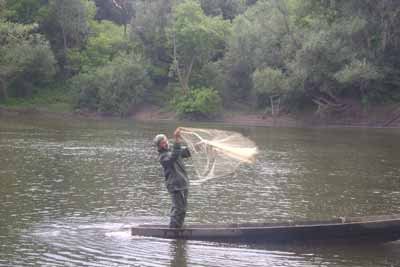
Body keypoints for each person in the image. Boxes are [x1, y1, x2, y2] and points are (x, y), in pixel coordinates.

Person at [154, 127, 191, 228]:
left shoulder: (174, 151)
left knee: (183, 209)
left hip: (183, 184)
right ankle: (173, 230)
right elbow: (173, 157)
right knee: (177, 208)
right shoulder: (163, 157)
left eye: (165, 141)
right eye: (162, 143)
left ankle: (179, 227)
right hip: (175, 186)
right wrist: (177, 140)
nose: (165, 143)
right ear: (159, 146)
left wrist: (200, 146)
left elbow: (187, 152)